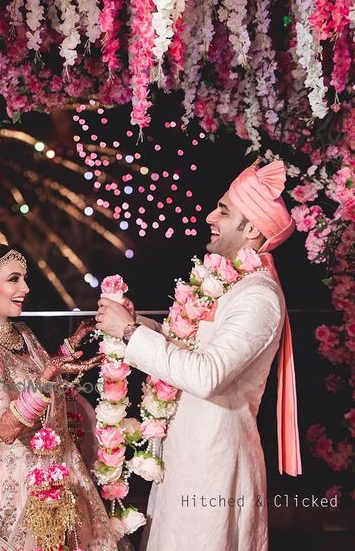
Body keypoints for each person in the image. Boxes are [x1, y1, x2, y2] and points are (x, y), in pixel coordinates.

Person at [96, 160, 302, 550]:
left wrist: (129, 331)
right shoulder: (229, 284)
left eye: (224, 210)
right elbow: (189, 349)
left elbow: (206, 375)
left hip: (215, 467)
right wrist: (135, 322)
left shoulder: (258, 296)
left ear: (253, 228)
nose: (210, 216)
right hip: (185, 460)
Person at [0, 243, 119, 551]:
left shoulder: (23, 333)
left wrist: (67, 351)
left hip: (61, 472)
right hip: (21, 491)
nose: (26, 288)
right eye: (14, 279)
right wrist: (47, 377)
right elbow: (4, 428)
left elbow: (33, 375)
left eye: (24, 278)